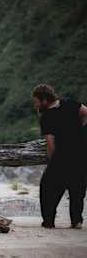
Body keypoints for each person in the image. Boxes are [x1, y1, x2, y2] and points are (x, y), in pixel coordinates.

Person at [32, 84, 87, 229]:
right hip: (81, 153)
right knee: (77, 190)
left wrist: (51, 161)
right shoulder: (69, 103)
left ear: (44, 100)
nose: (35, 105)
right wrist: (81, 129)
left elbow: (50, 143)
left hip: (61, 157)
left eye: (36, 101)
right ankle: (77, 221)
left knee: (48, 188)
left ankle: (49, 222)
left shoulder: (47, 117)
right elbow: (85, 112)